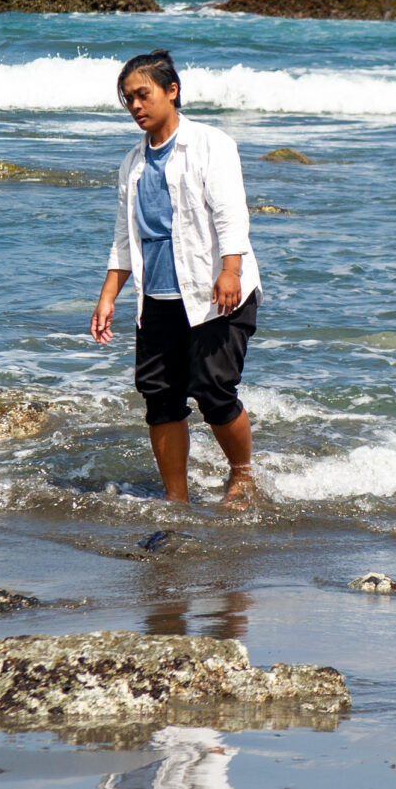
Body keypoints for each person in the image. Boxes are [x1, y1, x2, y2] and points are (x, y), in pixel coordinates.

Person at [90, 50, 262, 508]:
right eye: (127, 99)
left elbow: (230, 215)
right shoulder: (133, 164)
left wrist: (231, 270)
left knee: (213, 389)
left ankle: (243, 476)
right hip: (158, 299)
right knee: (159, 399)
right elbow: (126, 239)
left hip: (215, 293)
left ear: (172, 90)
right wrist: (108, 298)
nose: (135, 106)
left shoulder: (210, 144)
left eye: (142, 95)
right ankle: (176, 497)